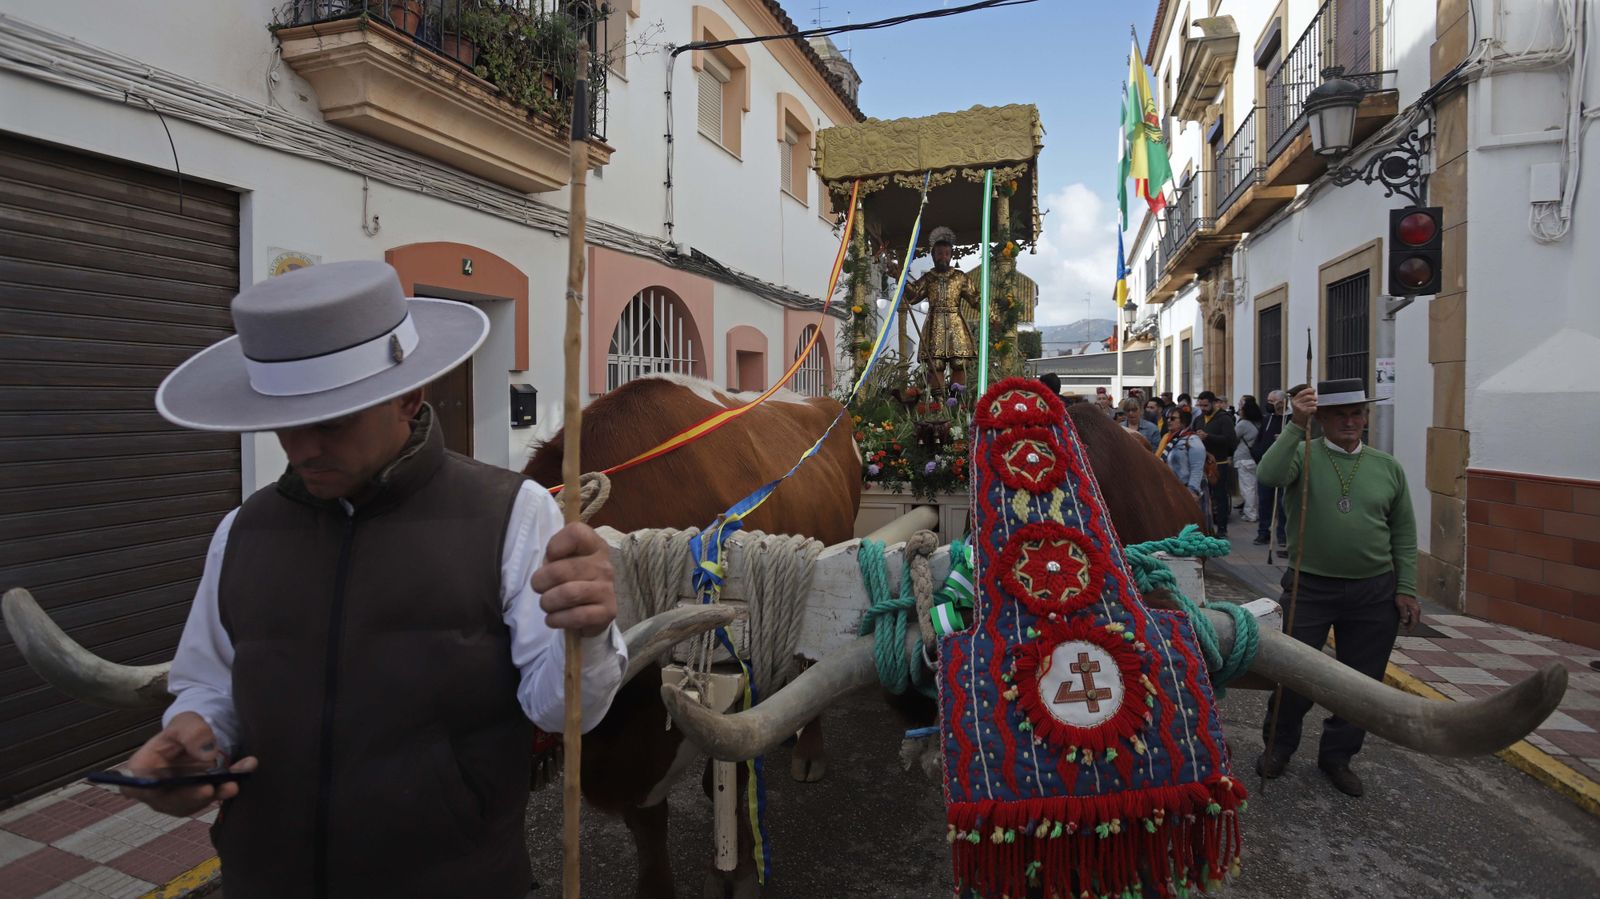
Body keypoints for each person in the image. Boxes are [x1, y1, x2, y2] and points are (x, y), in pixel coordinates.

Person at [124, 262, 627, 896]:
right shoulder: (244, 532)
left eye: (331, 422)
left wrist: (587, 628)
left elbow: (561, 709)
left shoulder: (511, 513)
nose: (301, 448)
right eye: (284, 420)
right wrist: (194, 732)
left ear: (408, 398)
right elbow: (210, 681)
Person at [1255, 378, 1420, 799]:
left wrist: (1406, 588)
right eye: (1339, 414)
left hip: (1374, 592)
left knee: (1360, 684)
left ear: (1366, 417)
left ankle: (1338, 757)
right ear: (1322, 418)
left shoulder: (1388, 467)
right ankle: (1278, 746)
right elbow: (1268, 474)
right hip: (1310, 587)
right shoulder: (1302, 456)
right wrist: (1295, 424)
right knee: (1293, 675)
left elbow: (1403, 533)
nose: (1350, 421)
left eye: (1356, 413)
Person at [906, 226, 982, 392]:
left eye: (946, 253)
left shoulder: (960, 277)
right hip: (935, 324)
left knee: (959, 362)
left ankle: (957, 404)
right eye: (939, 253)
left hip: (956, 323)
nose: (943, 257)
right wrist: (901, 279)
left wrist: (991, 314)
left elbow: (975, 299)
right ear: (933, 255)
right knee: (936, 364)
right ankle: (938, 404)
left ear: (951, 255)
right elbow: (913, 296)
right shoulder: (928, 278)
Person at [1194, 390, 1238, 538]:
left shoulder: (1224, 419)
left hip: (1219, 463)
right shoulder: (1199, 419)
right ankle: (1205, 527)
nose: (1203, 409)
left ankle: (1222, 527)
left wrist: (1208, 437)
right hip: (1202, 463)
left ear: (1213, 403)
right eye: (1201, 406)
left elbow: (1231, 440)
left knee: (1220, 496)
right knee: (1204, 497)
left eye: (1206, 405)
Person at [1252, 389, 1289, 548]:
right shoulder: (1267, 419)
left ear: (1282, 403)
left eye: (1272, 401)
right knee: (1264, 502)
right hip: (1265, 467)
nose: (1269, 404)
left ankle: (1282, 535)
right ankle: (1263, 532)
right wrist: (1257, 454)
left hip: (1283, 469)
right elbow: (1259, 439)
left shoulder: (1290, 420)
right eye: (1268, 400)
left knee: (1282, 504)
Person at [1160, 408, 1208, 516]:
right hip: (1173, 490)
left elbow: (1197, 468)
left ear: (1183, 421)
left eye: (1173, 418)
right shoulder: (1172, 440)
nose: (1168, 421)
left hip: (1188, 491)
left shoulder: (1192, 440)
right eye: (1167, 418)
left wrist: (1192, 491)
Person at [1233, 395, 1263, 523]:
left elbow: (1233, 437)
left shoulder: (1243, 424)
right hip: (1256, 458)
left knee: (1247, 488)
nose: (1239, 410)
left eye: (1241, 408)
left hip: (1244, 459)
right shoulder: (1260, 422)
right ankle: (1255, 512)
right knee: (1254, 488)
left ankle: (1250, 514)